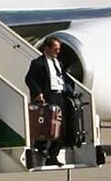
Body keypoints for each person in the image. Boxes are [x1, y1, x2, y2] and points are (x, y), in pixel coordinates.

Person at [24, 37, 73, 166]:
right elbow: (29, 79)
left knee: (62, 127)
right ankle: (42, 150)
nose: (58, 51)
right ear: (47, 48)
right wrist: (38, 93)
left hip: (60, 95)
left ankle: (53, 155)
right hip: (48, 96)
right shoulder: (38, 63)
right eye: (55, 49)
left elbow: (64, 78)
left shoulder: (58, 63)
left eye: (58, 49)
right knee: (48, 126)